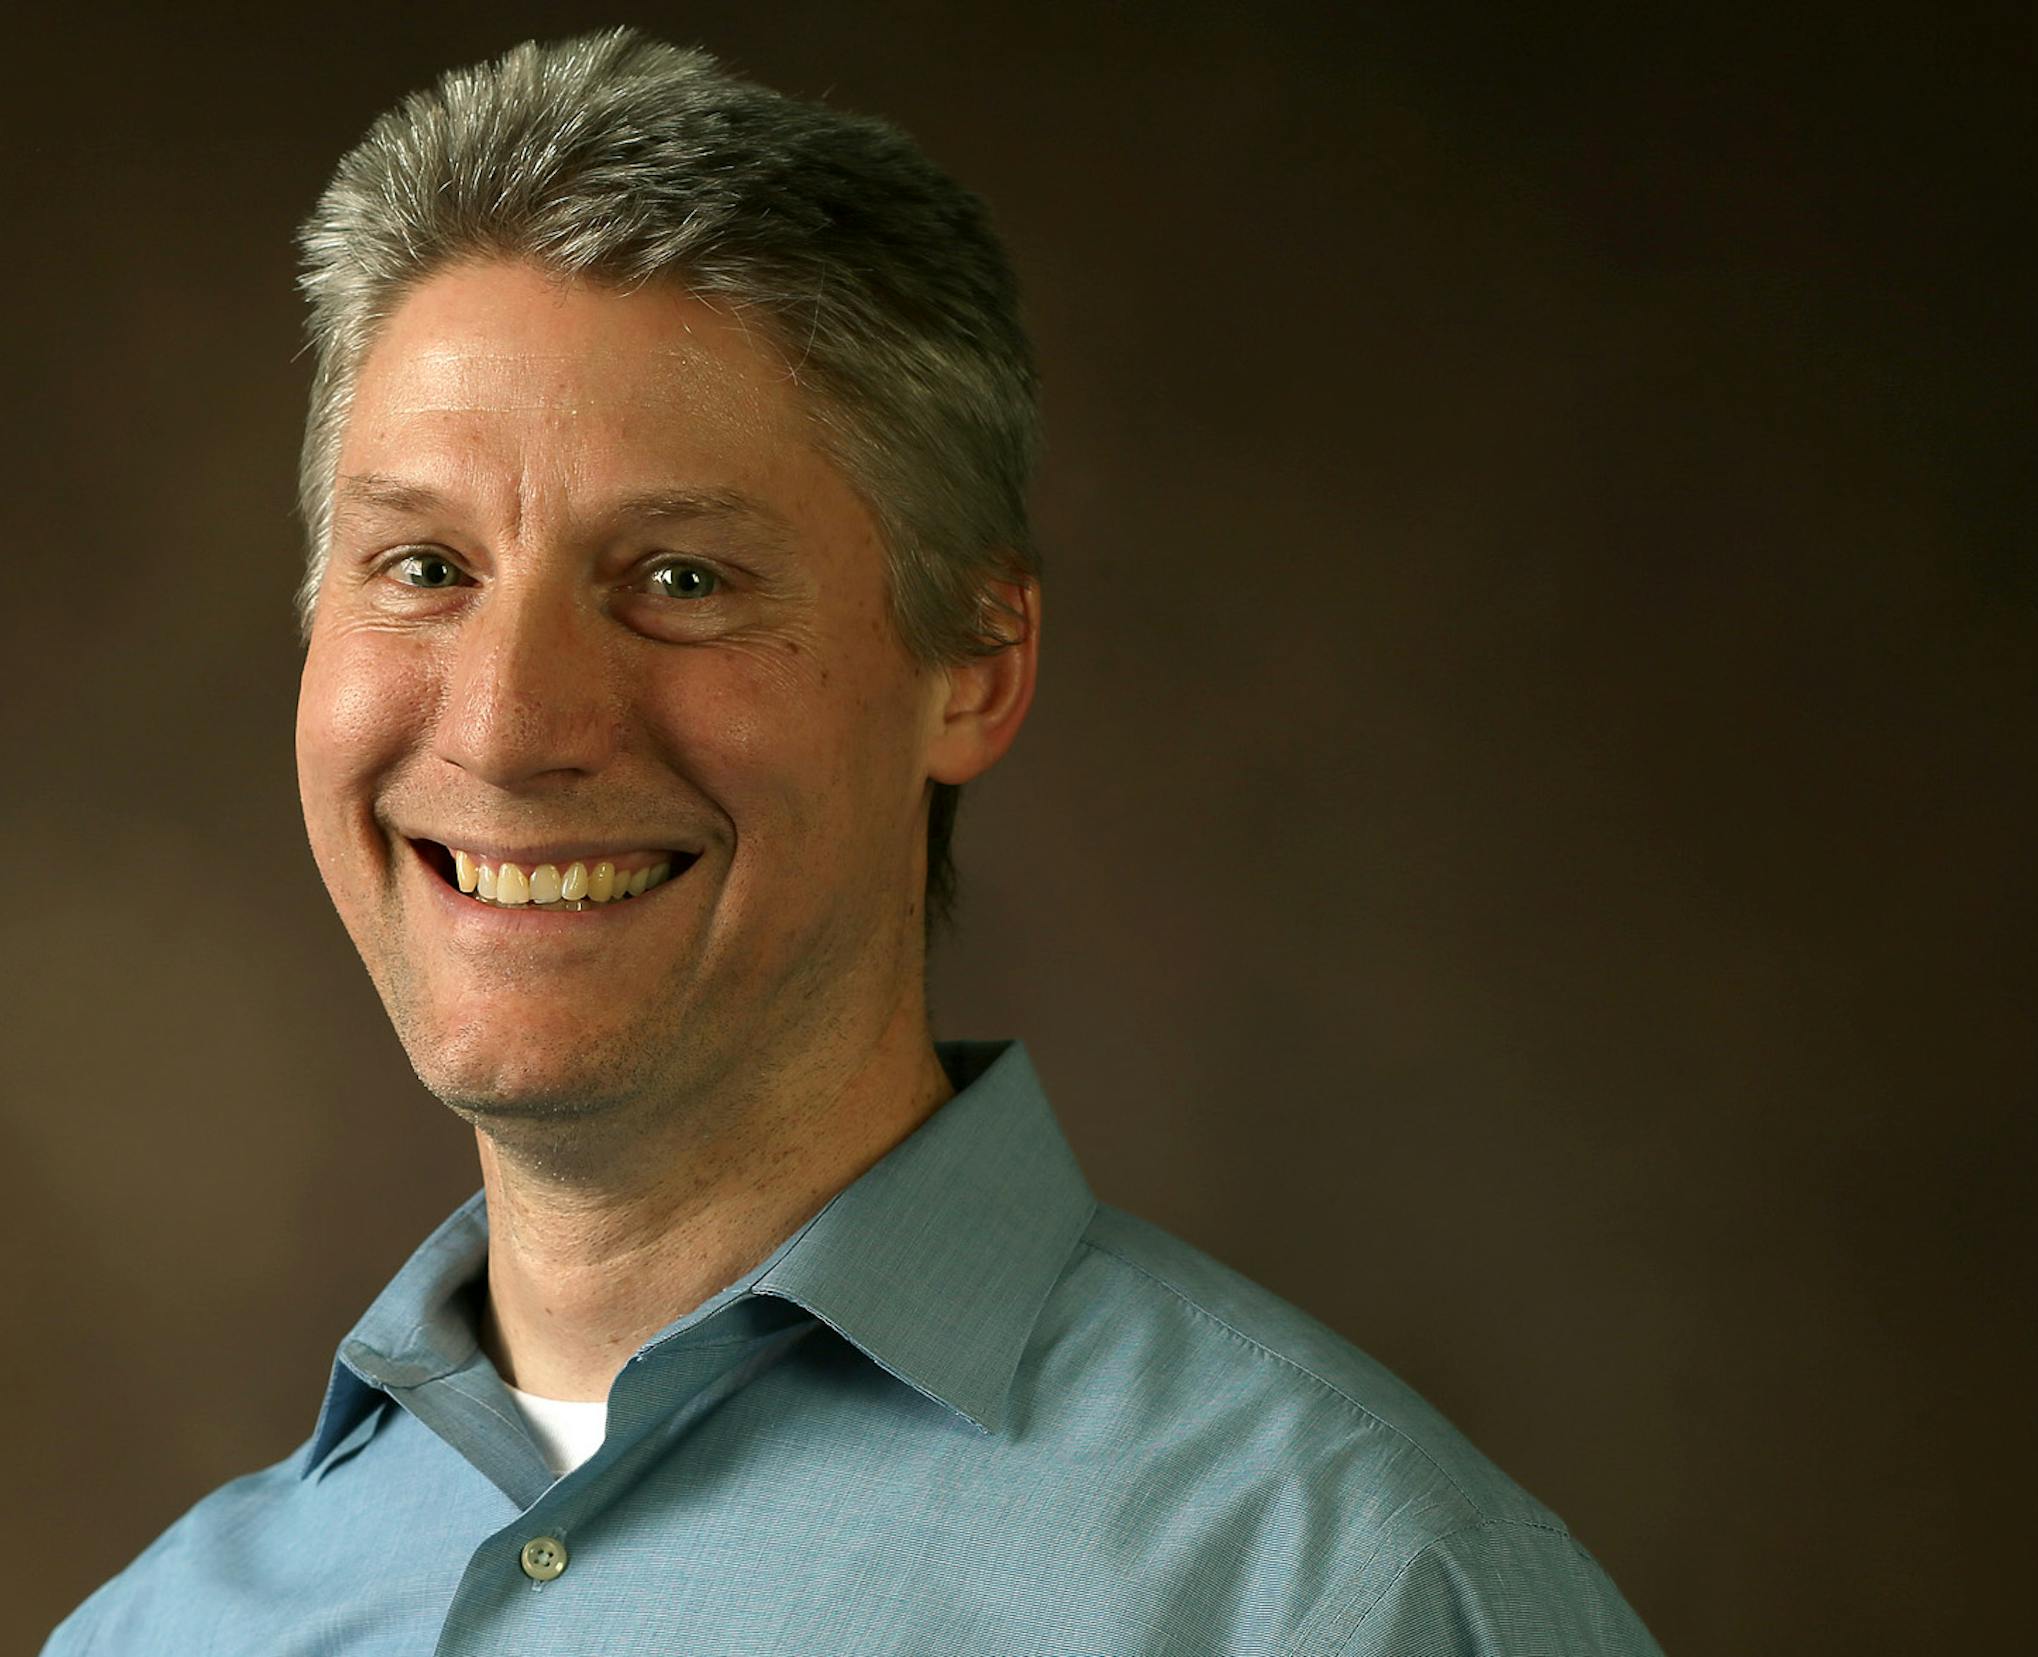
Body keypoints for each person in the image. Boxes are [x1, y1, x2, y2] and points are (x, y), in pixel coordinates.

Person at [45, 29, 1661, 1655]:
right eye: (423, 567)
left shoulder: (1347, 1590)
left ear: (974, 666)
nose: (507, 725)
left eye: (682, 577)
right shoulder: (162, 1627)